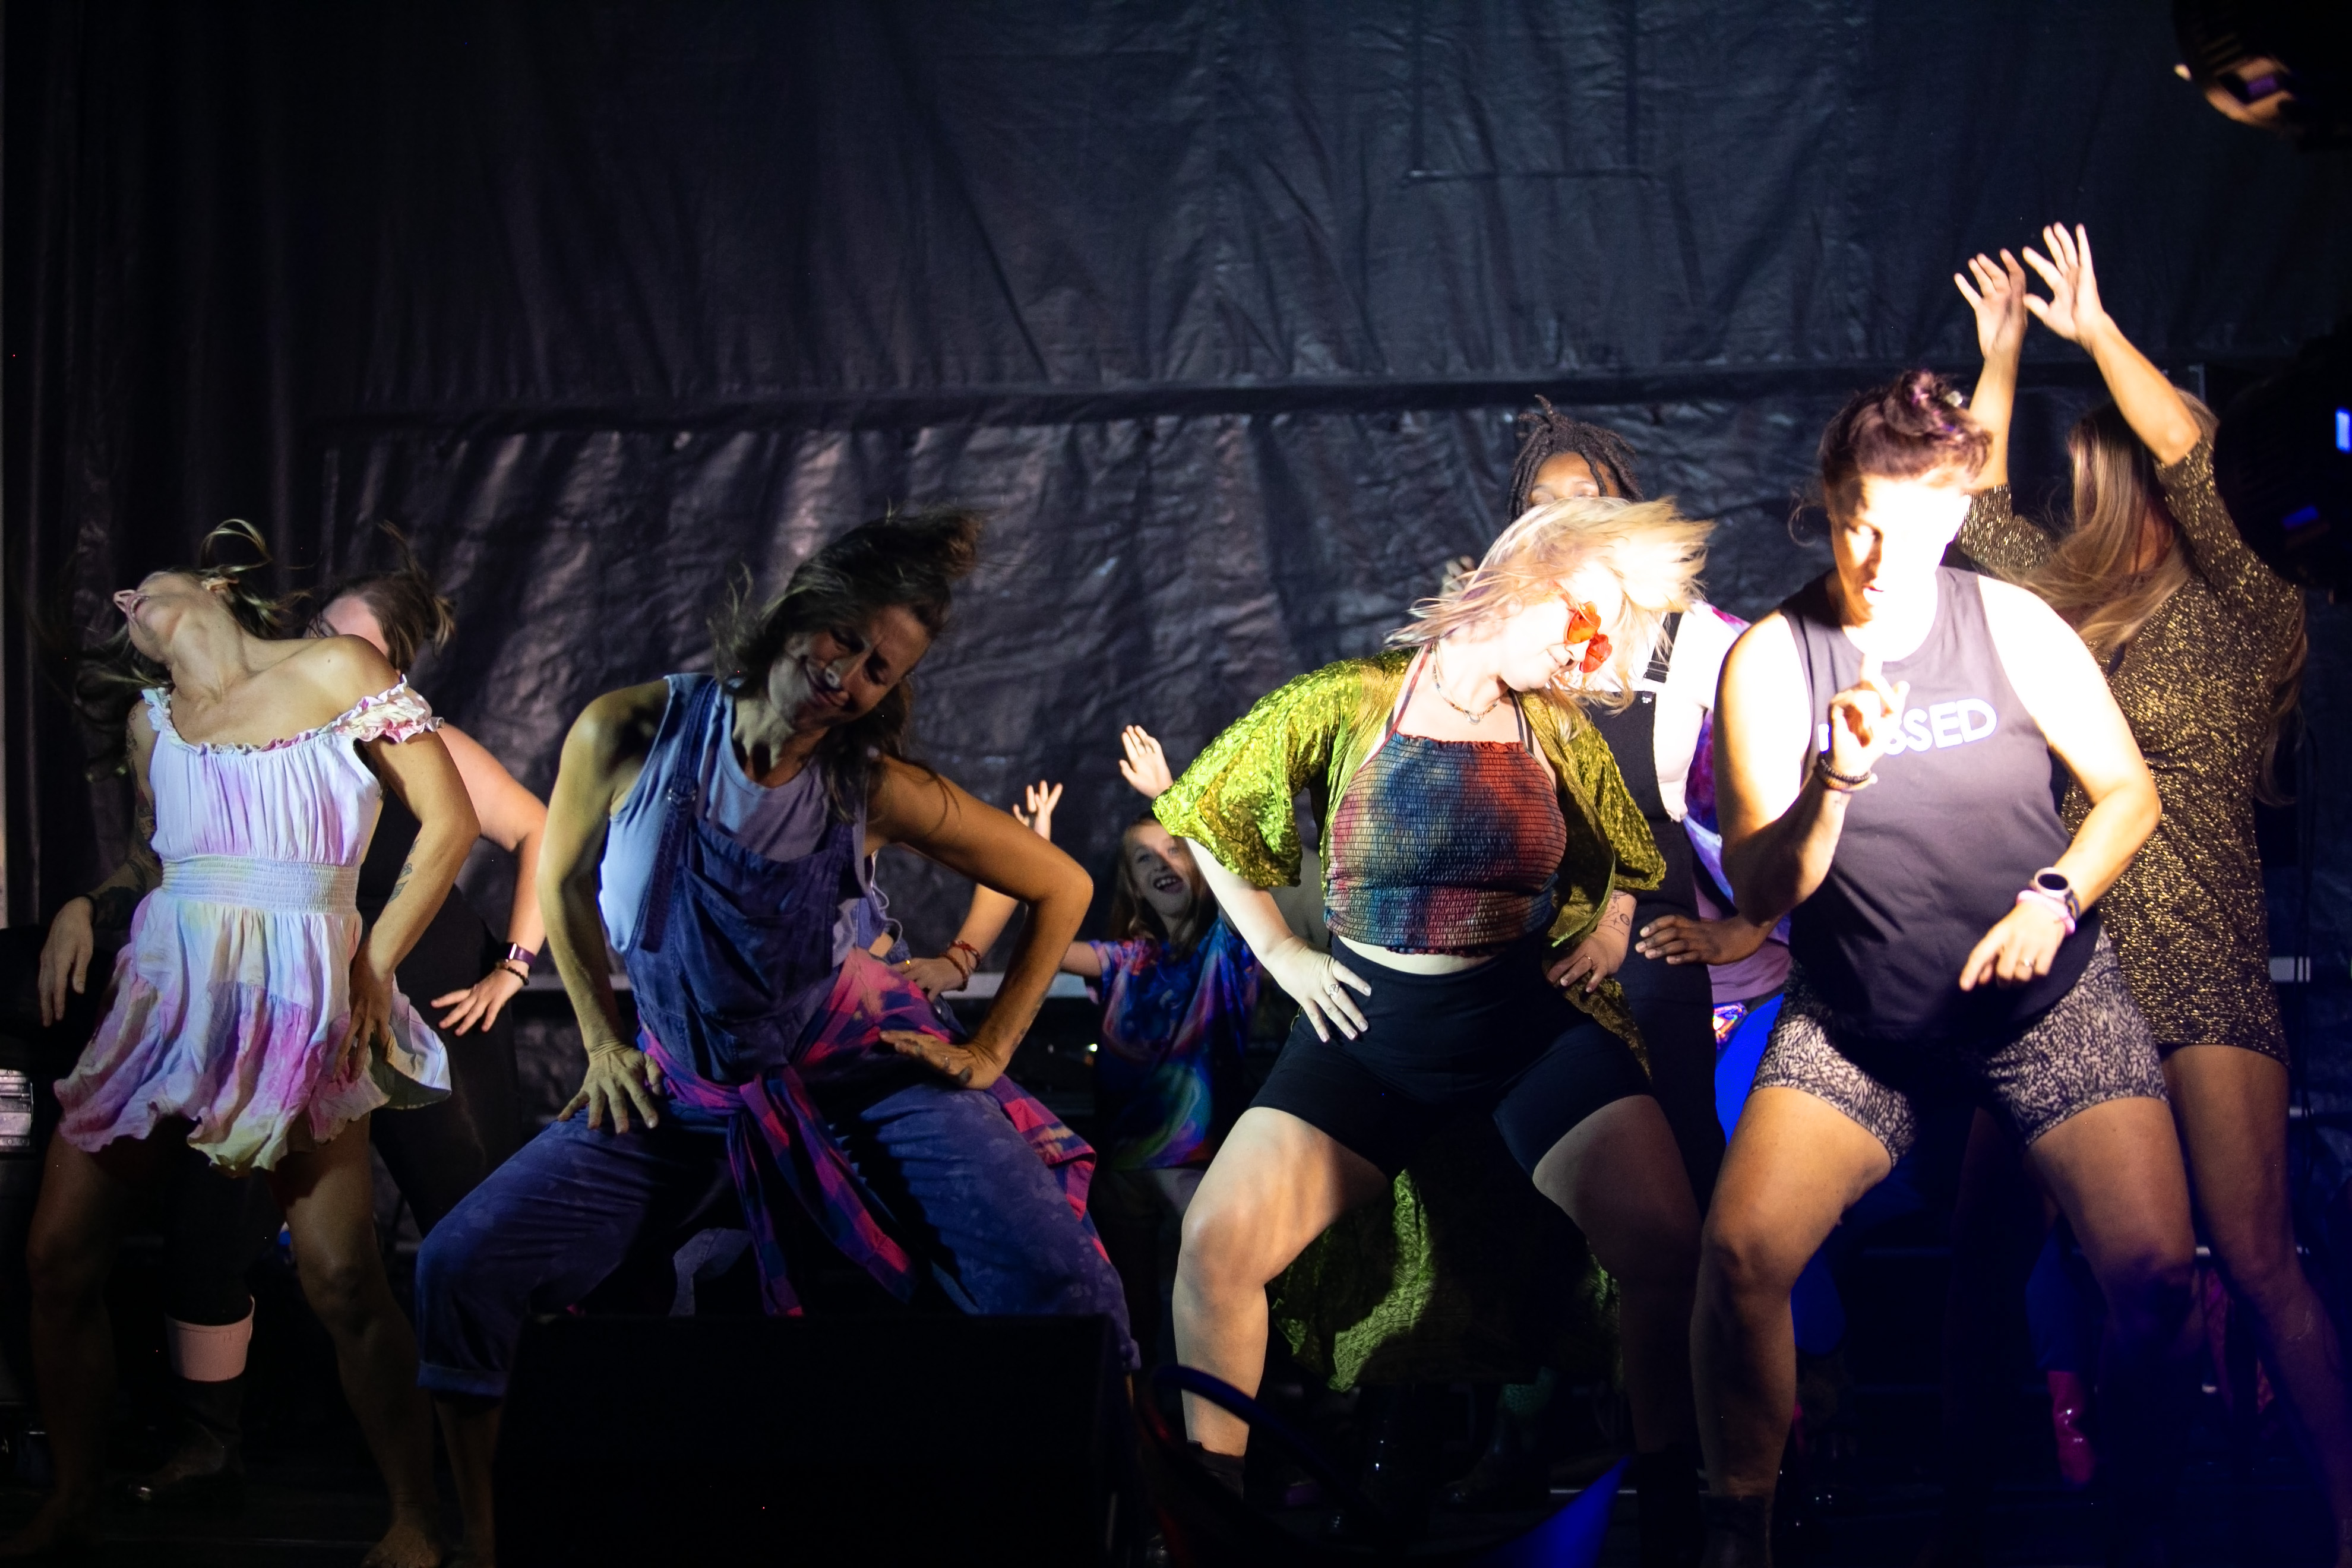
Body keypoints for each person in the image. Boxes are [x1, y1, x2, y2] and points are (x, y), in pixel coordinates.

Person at [410, 510, 1134, 1567]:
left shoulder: (866, 785)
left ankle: (1115, 1534)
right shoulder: (633, 727)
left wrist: (991, 1052)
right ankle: (482, 1548)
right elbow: (559, 883)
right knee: (457, 1268)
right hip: (683, 1094)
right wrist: (605, 1044)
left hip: (854, 1076)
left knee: (1062, 1285)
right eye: (846, 636)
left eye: (881, 671)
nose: (849, 675)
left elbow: (1060, 884)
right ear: (800, 610)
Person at [1696, 369, 2191, 1567]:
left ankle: (2148, 1525)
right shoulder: (1773, 658)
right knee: (1742, 1254)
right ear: (1828, 502)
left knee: (2157, 1279)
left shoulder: (2010, 624)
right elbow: (1760, 894)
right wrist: (1836, 783)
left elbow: (2130, 794)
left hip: (2041, 1011)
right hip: (1861, 1022)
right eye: (1857, 522)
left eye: (1909, 527)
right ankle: (1740, 1533)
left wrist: (2055, 899)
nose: (1877, 556)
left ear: (1958, 511)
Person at [1155, 492, 1711, 1556]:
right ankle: (1208, 1531)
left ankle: (1681, 1521)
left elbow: (1630, 854)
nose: (1591, 651)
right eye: (1585, 620)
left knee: (1668, 1247)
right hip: (1371, 1040)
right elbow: (1207, 809)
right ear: (1526, 579)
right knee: (1216, 1247)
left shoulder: (1555, 728)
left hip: (1519, 1035)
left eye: (1609, 637)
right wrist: (1282, 953)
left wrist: (1606, 934)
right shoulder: (1354, 700)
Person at [1949, 227, 2348, 1565]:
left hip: (2201, 956)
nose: (2081, 497)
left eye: (2094, 476)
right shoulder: (2061, 615)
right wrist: (2004, 351)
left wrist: (2098, 330)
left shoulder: (2249, 606)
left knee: (2256, 1261)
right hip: (2063, 958)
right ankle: (1999, 1519)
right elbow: (1975, 505)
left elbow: (2193, 456)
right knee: (1991, 1256)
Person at [18, 522, 470, 1566]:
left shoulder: (337, 670)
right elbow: (159, 860)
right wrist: (90, 903)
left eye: (148, 582)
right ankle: (73, 1502)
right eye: (120, 603)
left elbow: (447, 823)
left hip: (296, 1000)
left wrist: (373, 966)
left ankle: (416, 1515)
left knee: (341, 1277)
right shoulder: (154, 726)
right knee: (55, 1258)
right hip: (166, 1002)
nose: (128, 599)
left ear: (216, 585)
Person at [87, 538, 555, 1512]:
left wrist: (514, 966)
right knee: (216, 1221)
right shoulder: (270, 725)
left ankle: (503, 1449)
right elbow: (168, 851)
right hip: (303, 995)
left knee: (461, 1217)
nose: (321, 646)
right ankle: (209, 1437)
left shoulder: (406, 729)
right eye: (318, 627)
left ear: (387, 664)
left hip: (422, 987)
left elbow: (535, 828)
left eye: (348, 639)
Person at [909, 726, 1260, 1365]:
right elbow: (1049, 940)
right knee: (1131, 1307)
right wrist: (1034, 857)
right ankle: (1140, 1410)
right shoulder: (1125, 960)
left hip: (1198, 1164)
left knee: (1209, 1301)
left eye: (1173, 850)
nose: (1162, 864)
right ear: (1132, 885)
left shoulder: (1228, 949)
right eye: (1144, 860)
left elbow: (1235, 877)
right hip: (1123, 1165)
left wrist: (1171, 795)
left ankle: (1211, 1414)